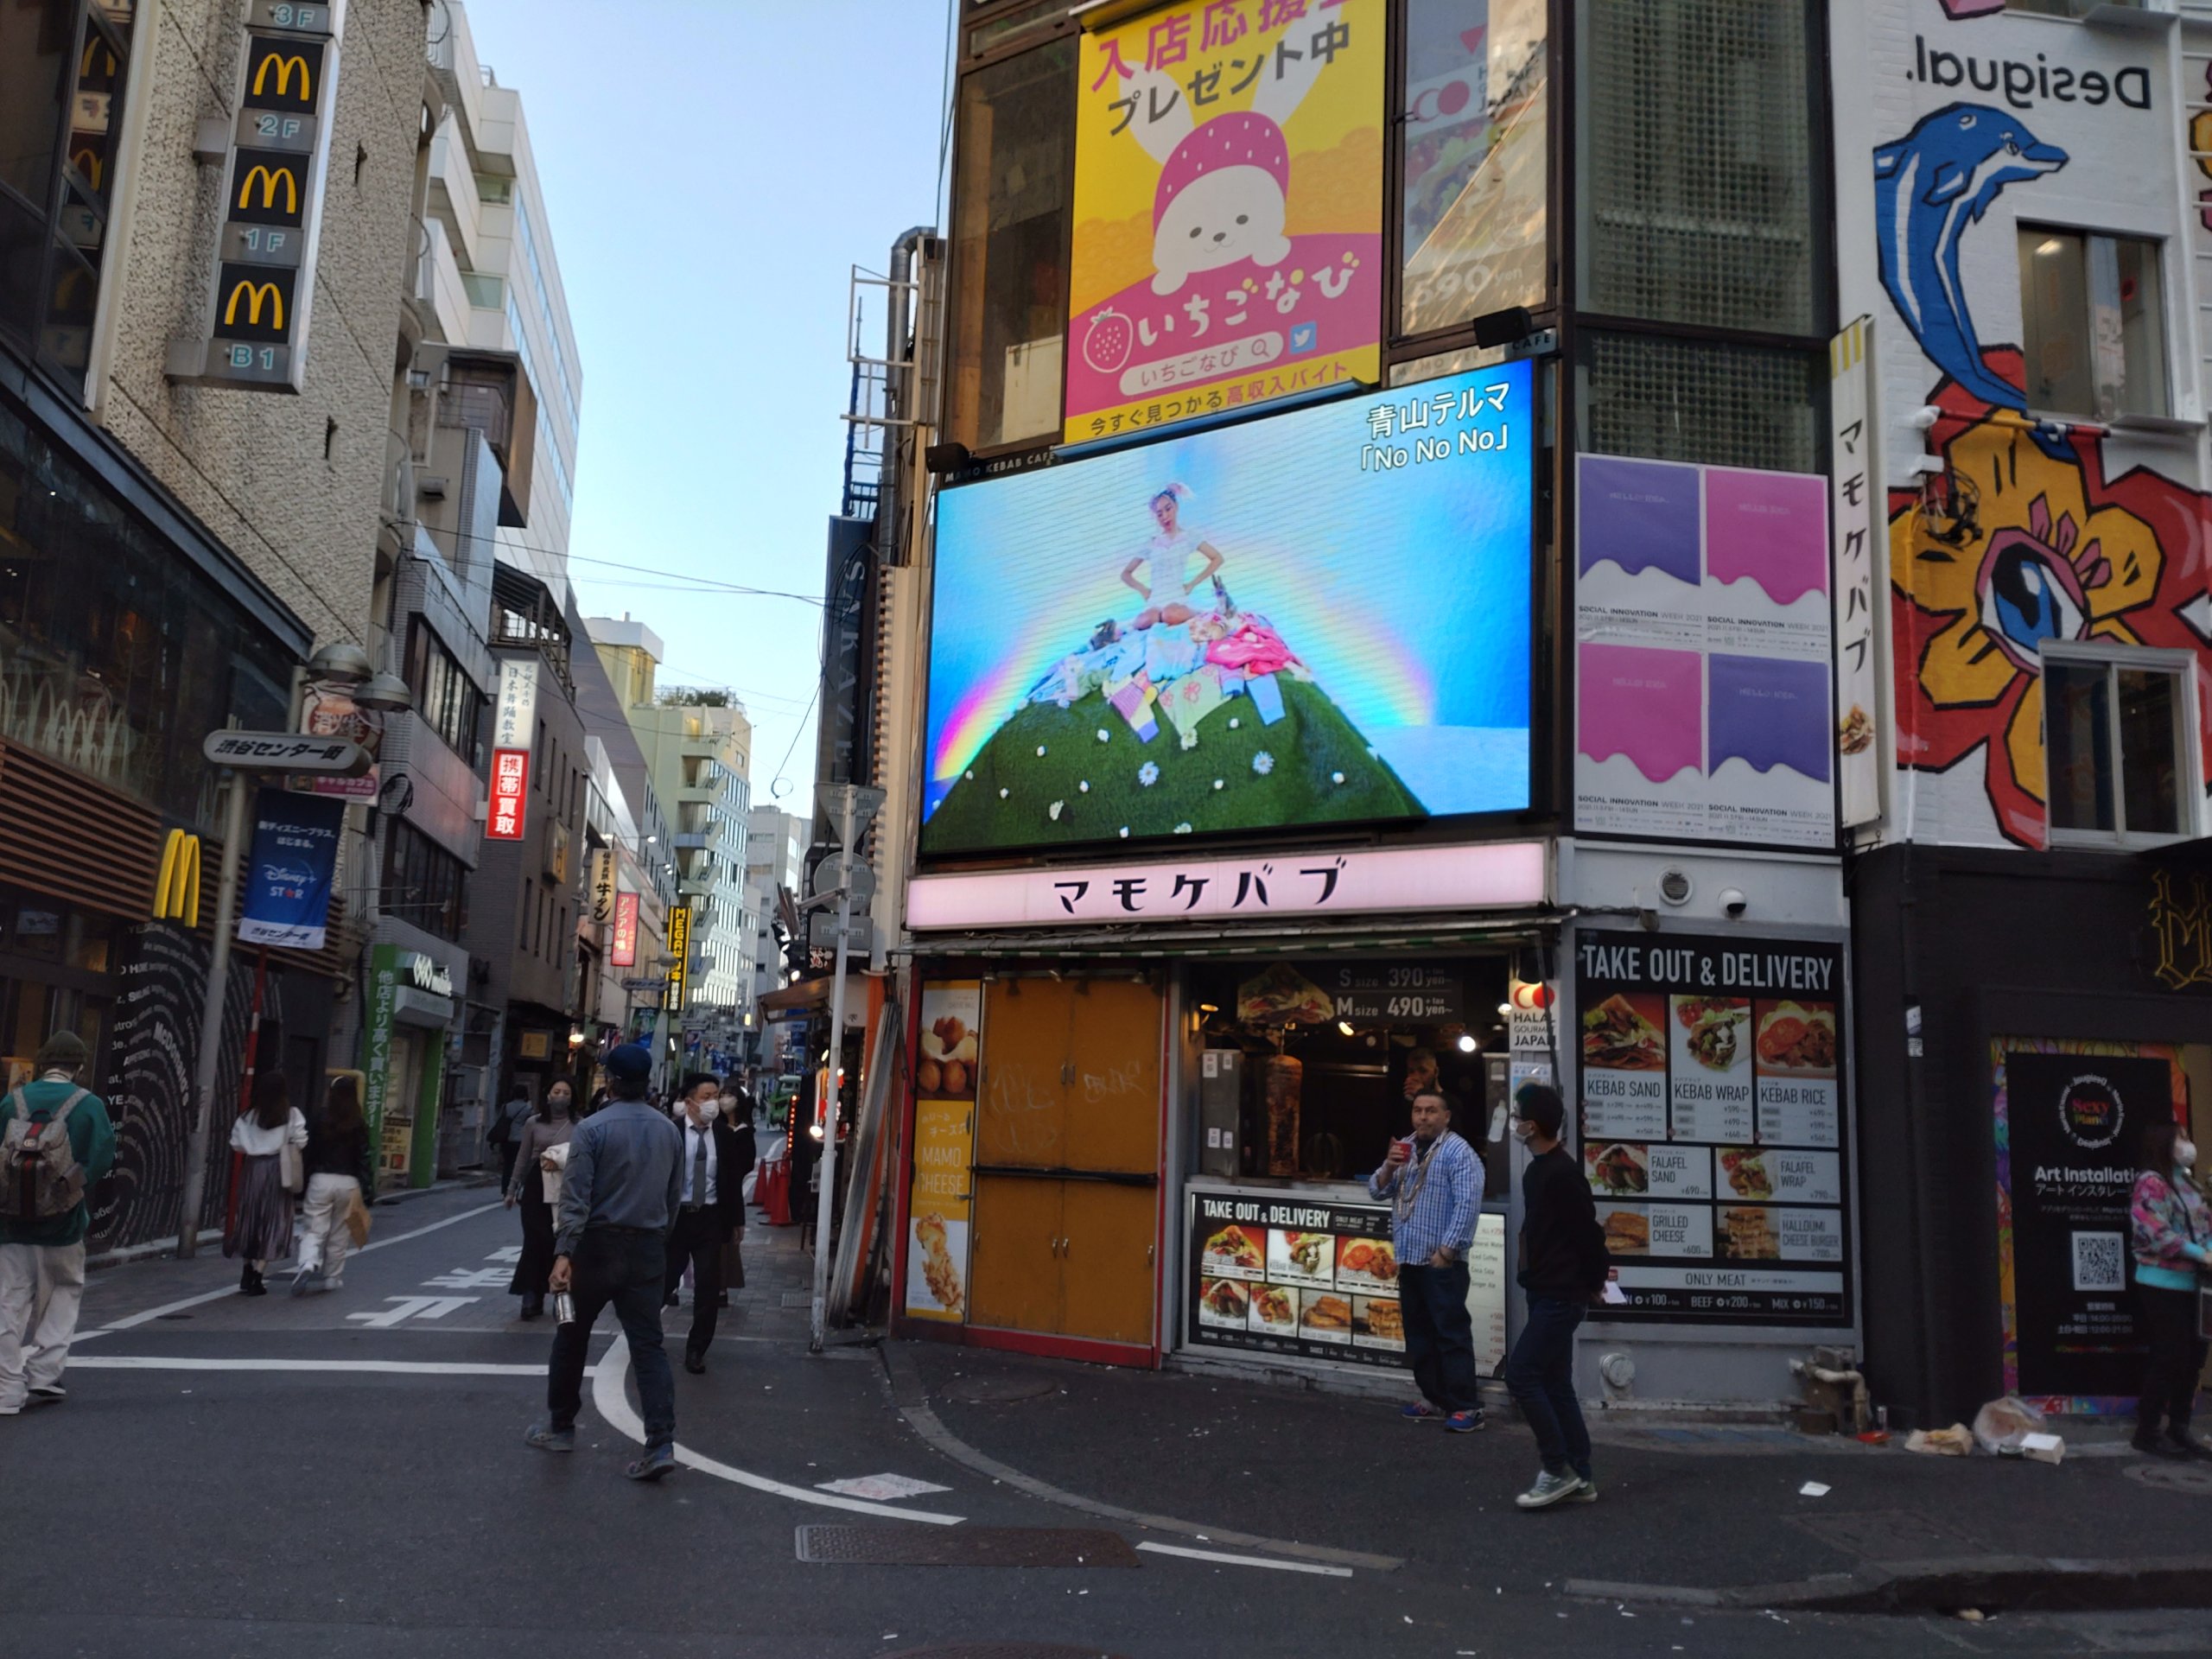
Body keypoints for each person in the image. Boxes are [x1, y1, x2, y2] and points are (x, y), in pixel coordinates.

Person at [529, 1042, 683, 1480]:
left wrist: (564, 1254)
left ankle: (561, 1426)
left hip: (595, 1248)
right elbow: (674, 1197)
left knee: (571, 1336)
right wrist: (657, 1239)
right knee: (648, 1346)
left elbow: (575, 1198)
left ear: (611, 1082)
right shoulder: (668, 1131)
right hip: (649, 1247)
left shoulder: (593, 1129)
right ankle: (660, 1442)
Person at [0, 1032, 116, 1414]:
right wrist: (67, 1188)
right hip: (63, 1225)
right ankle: (44, 1375)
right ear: (78, 1067)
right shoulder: (89, 1105)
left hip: (11, 1224)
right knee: (63, 1293)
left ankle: (7, 1388)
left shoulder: (12, 1100)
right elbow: (100, 1156)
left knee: (9, 1303)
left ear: (43, 1062)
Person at [1506, 1082, 1608, 1510]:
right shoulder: (1538, 1170)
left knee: (1521, 1376)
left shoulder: (1562, 1173)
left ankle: (1557, 1468)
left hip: (1561, 1295)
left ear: (1532, 1125)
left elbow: (1588, 1233)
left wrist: (1596, 1281)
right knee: (1555, 1383)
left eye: (1517, 1117)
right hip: (1545, 1290)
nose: (1513, 1123)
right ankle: (1581, 1476)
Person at [1369, 1089, 1484, 1432]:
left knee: (1450, 1334)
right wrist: (1390, 1166)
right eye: (1418, 1110)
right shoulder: (1404, 1147)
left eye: (1431, 1111)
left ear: (1446, 1116)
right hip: (1409, 1258)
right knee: (1419, 1336)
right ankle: (1434, 1398)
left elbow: (1468, 1203)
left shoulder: (1458, 1152)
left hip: (1440, 1262)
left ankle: (1466, 1406)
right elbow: (1377, 1190)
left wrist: (1448, 1251)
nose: (1423, 1117)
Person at [2130, 1116, 2210, 1459]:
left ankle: (2180, 1427)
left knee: (2194, 1357)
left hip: (2197, 1285)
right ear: (2163, 1142)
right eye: (2180, 1137)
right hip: (2161, 1283)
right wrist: (2201, 1254)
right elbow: (2155, 1232)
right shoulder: (2151, 1182)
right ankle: (2147, 1430)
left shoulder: (2192, 1185)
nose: (2187, 1143)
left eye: (2187, 1136)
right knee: (2170, 1356)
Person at [663, 1073, 746, 1372]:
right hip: (677, 1218)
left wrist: (737, 1220)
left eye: (716, 1096)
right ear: (689, 1102)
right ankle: (645, 1336)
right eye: (706, 1097)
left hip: (711, 1217)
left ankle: (697, 1348)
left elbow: (732, 1179)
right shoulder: (671, 1132)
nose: (714, 1103)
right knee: (664, 1280)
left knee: (708, 1287)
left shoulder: (724, 1135)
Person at [225, 1074, 308, 1295]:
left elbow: (236, 1145)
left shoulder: (247, 1117)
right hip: (278, 1170)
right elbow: (301, 1141)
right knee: (274, 1220)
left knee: (249, 1218)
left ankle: (246, 1268)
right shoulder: (291, 1115)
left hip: (252, 1169)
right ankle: (258, 1275)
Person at [293, 1075, 373, 1294]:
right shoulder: (358, 1123)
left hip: (320, 1180)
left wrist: (304, 1181)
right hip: (349, 1183)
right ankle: (332, 1278)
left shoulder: (319, 1118)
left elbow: (308, 1153)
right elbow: (364, 1159)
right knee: (340, 1232)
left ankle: (308, 1262)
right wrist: (368, 1190)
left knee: (314, 1227)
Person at [506, 1078, 577, 1319]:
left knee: (560, 1242)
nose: (560, 1096)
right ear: (548, 1095)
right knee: (535, 1241)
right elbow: (523, 1157)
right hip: (537, 1185)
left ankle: (561, 1297)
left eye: (566, 1092)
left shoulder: (581, 1125)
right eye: (556, 1091)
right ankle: (531, 1295)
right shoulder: (533, 1123)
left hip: (566, 1186)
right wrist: (512, 1188)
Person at [1119, 484, 1224, 630]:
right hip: (1155, 599)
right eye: (1159, 513)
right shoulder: (1151, 542)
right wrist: (1143, 589)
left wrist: (1192, 584)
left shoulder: (1189, 537)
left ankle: (1198, 613)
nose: (1165, 516)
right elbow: (1125, 574)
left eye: (1168, 509)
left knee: (1170, 614)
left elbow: (1217, 558)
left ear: (1176, 507)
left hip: (1177, 597)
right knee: (1148, 619)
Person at [717, 1075, 759, 1299]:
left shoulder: (744, 1132)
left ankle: (722, 1287)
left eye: (730, 1096)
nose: (725, 1100)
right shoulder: (715, 1127)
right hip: (711, 1193)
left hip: (729, 1195)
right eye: (722, 1095)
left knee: (726, 1243)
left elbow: (746, 1164)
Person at [488, 1086, 531, 1190]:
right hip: (521, 1140)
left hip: (507, 1139)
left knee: (507, 1165)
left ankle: (505, 1188)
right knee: (519, 1165)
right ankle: (515, 1187)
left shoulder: (507, 1106)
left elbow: (501, 1122)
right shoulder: (528, 1108)